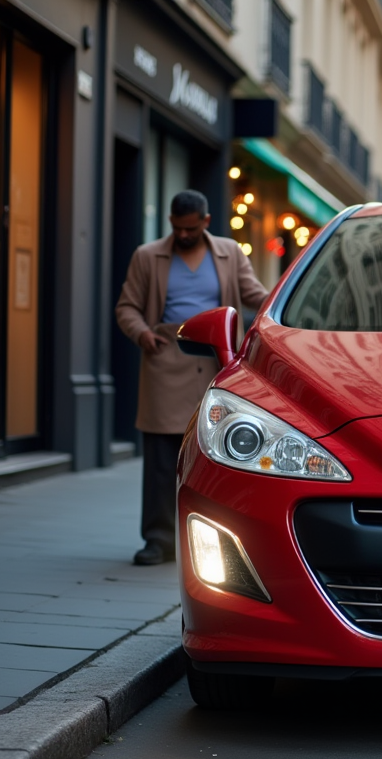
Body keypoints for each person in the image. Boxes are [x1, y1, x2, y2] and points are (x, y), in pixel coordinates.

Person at [115, 190, 269, 565]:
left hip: (217, 362)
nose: (184, 235)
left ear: (205, 221)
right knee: (162, 458)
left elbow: (254, 294)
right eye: (177, 228)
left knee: (218, 455)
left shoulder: (230, 252)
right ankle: (158, 539)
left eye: (191, 228)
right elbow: (127, 307)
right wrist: (142, 334)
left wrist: (284, 307)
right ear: (170, 222)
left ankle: (219, 547)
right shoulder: (147, 256)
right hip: (166, 357)